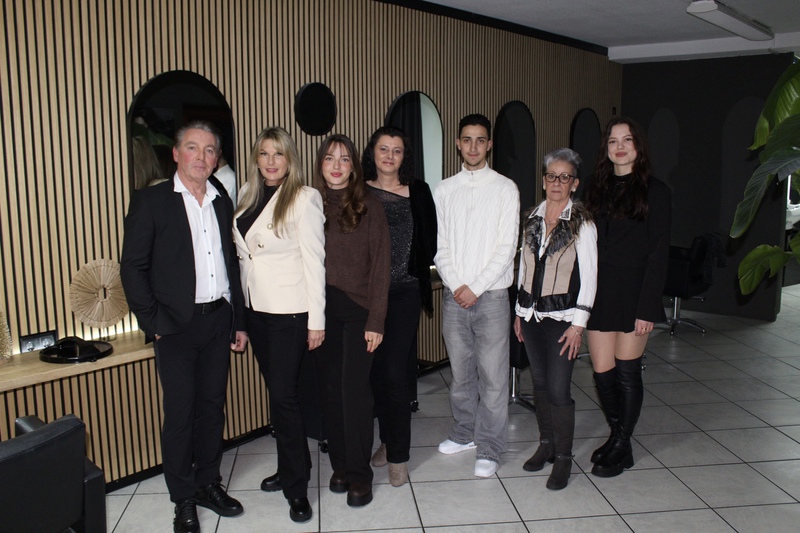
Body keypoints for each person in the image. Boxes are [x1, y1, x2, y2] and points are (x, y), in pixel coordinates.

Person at [120, 120, 248, 533]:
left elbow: (231, 264)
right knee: (180, 414)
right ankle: (183, 499)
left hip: (218, 320)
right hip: (175, 327)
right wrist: (153, 322)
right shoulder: (151, 201)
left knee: (212, 408)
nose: (201, 157)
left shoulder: (221, 199)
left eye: (209, 150)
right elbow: (132, 268)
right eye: (192, 148)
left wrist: (238, 320)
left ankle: (209, 483)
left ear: (216, 158)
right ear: (176, 154)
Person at [233, 127, 325, 523]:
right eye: (264, 154)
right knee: (279, 394)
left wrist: (317, 321)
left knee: (285, 398)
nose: (271, 161)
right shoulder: (245, 194)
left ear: (290, 159)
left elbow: (315, 262)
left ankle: (297, 487)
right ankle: (291, 466)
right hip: (256, 310)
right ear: (256, 159)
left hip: (290, 312)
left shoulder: (305, 198)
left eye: (279, 154)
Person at [584, 117, 671, 478]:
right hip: (599, 290)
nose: (619, 147)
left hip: (636, 291)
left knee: (626, 372)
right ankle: (620, 439)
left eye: (627, 140)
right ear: (605, 148)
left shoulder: (655, 190)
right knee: (602, 372)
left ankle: (621, 443)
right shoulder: (594, 187)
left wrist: (648, 307)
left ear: (638, 146)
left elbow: (658, 253)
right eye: (613, 141)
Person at [434, 114, 519, 478]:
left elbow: (506, 247)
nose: (473, 146)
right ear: (458, 144)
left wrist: (476, 287)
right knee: (461, 374)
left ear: (489, 145)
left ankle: (491, 446)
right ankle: (464, 432)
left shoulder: (505, 189)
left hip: (493, 297)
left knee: (494, 378)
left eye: (480, 140)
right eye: (467, 139)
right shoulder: (443, 190)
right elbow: (440, 247)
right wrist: (457, 286)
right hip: (454, 297)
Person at [312, 134, 391, 507]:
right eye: (330, 158)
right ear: (320, 164)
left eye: (344, 159)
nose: (337, 166)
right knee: (330, 391)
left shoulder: (369, 206)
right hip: (320, 310)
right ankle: (341, 466)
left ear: (354, 166)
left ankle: (360, 474)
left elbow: (381, 267)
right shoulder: (309, 204)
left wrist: (377, 319)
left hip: (359, 310)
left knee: (354, 393)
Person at [513, 148, 597, 490]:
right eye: (551, 176)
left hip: (564, 319)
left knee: (559, 389)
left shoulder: (582, 223)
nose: (557, 183)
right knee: (540, 384)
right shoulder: (531, 218)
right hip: (531, 317)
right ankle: (546, 444)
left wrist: (579, 326)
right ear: (544, 180)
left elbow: (590, 277)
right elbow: (524, 268)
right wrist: (519, 313)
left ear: (574, 183)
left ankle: (563, 457)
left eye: (565, 177)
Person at [362, 126, 437, 487]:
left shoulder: (418, 191)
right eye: (384, 149)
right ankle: (387, 439)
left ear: (405, 156)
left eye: (397, 150)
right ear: (372, 153)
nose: (390, 156)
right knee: (375, 373)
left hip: (405, 292)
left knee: (394, 372)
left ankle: (399, 456)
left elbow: (430, 239)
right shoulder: (358, 191)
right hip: (366, 296)